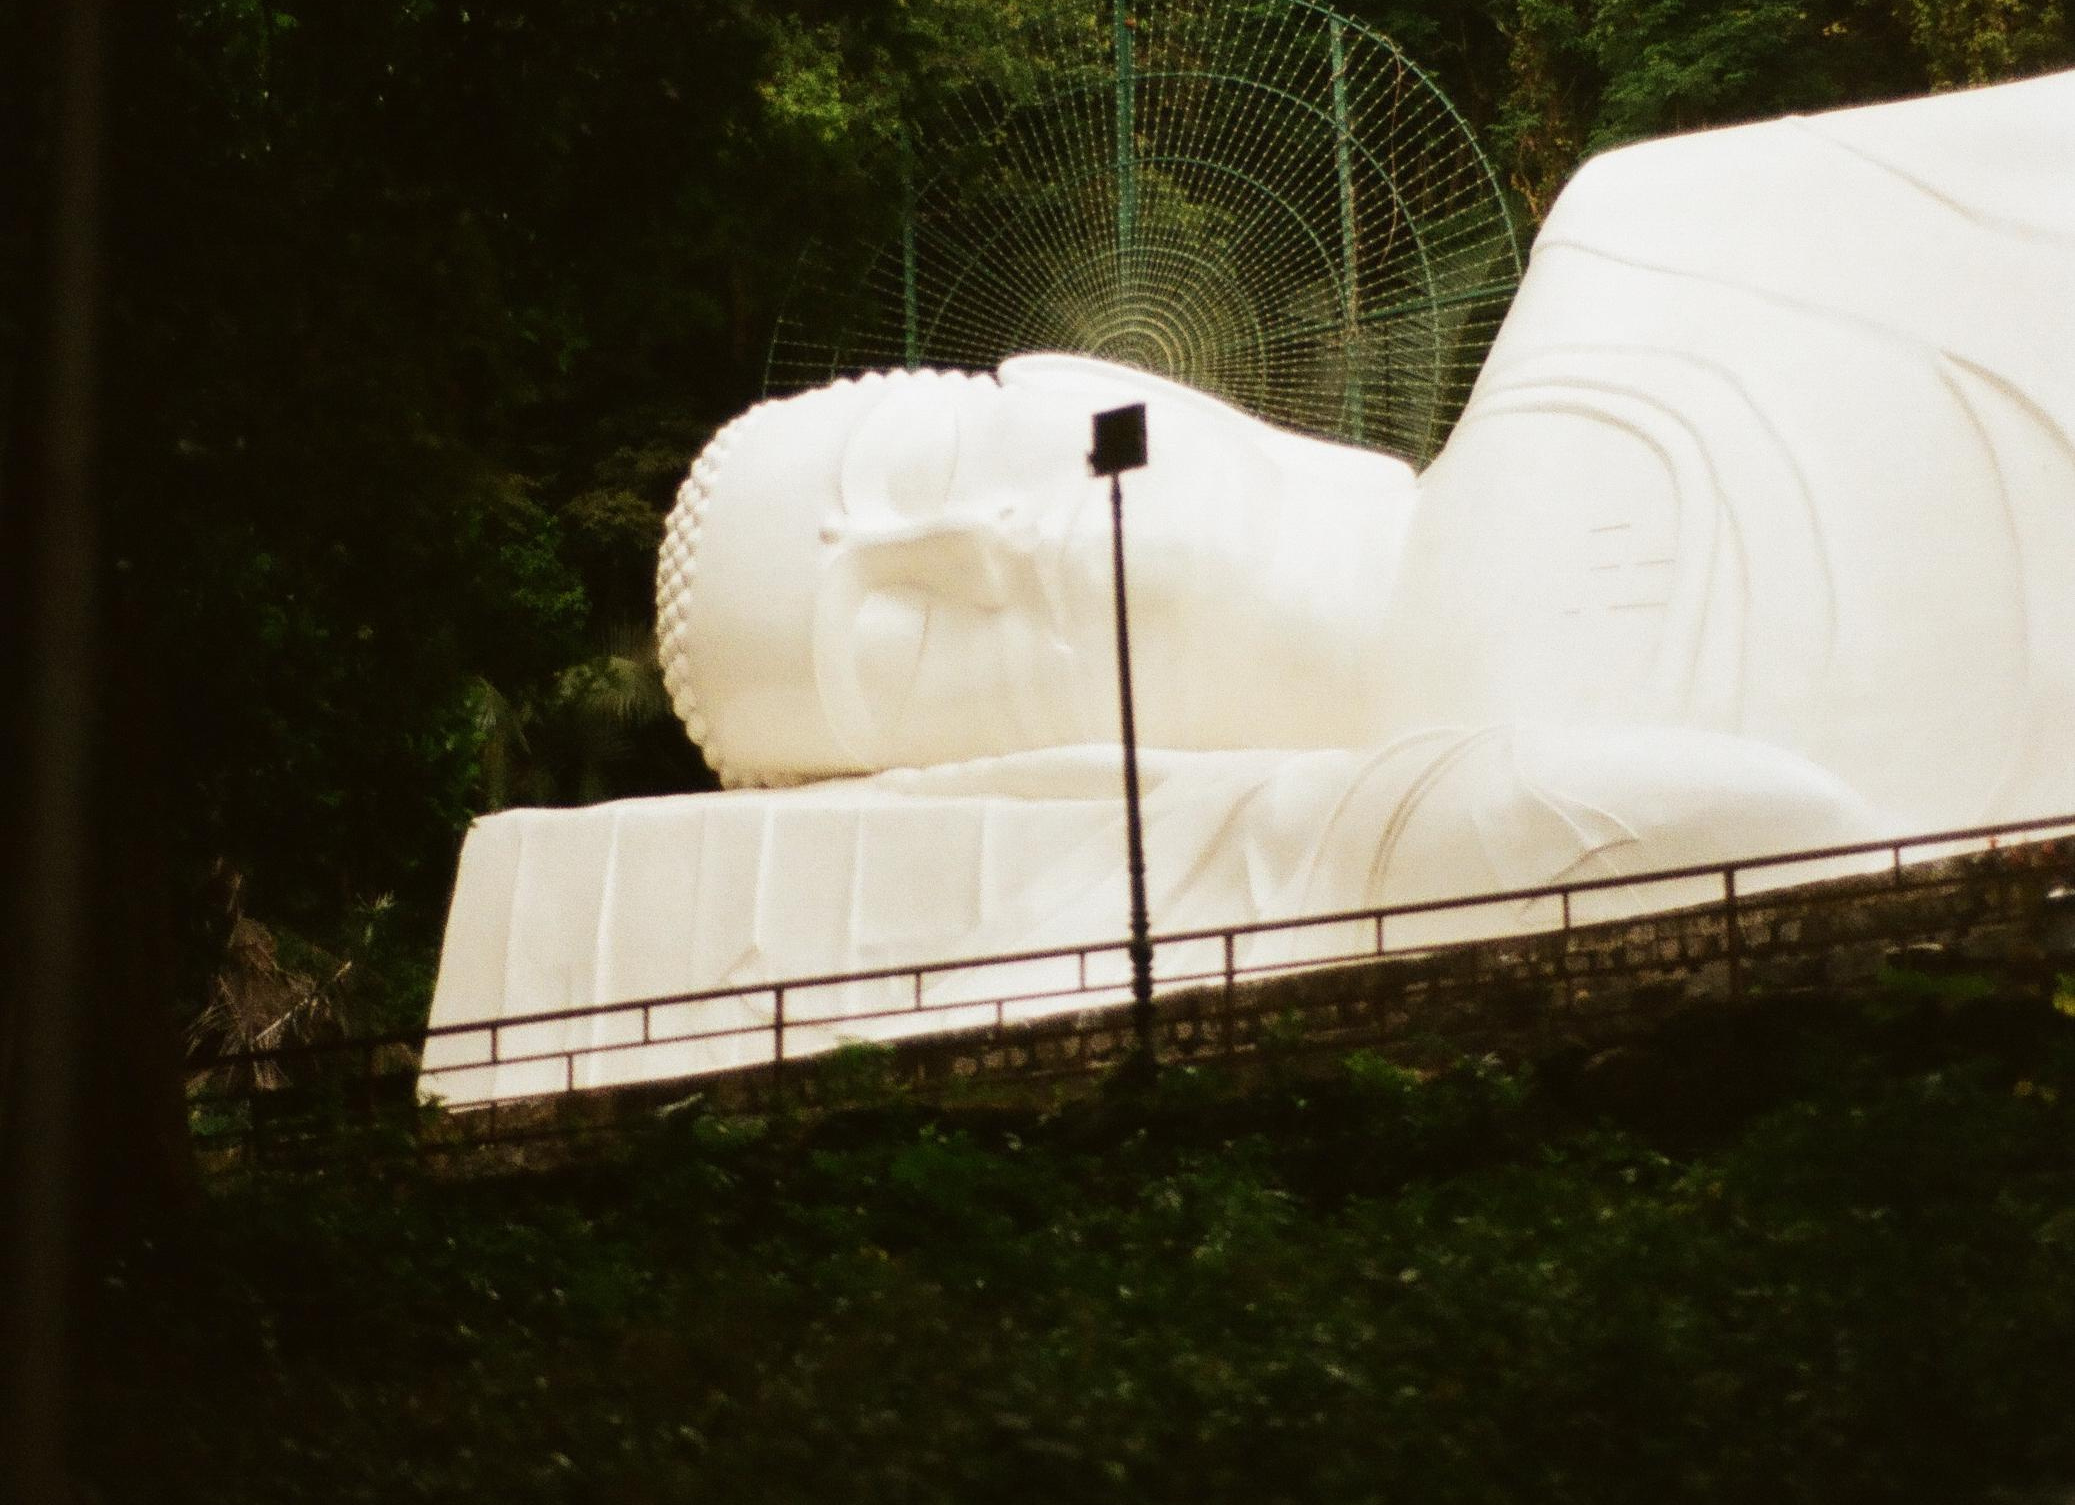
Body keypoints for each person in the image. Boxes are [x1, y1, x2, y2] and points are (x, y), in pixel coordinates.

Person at [426, 67, 2075, 1099]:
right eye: (907, 642)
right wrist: (1385, 838)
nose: (986, 552)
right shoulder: (1473, 819)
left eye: (937, 473)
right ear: (1032, 778)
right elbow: (1843, 879)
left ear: (1077, 373)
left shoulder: (1647, 222)